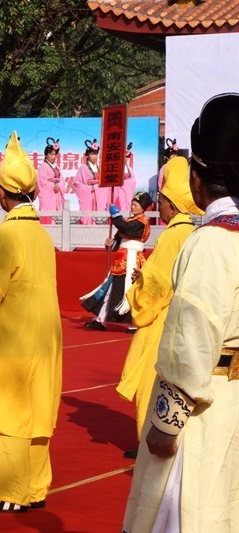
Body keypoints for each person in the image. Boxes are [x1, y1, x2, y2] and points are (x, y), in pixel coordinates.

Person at [122, 93, 239, 532]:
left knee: (185, 510)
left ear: (197, 177)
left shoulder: (209, 242)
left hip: (203, 407)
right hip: (233, 399)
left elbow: (192, 339)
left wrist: (167, 423)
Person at [0, 131, 62, 513]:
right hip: (44, 340)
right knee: (36, 410)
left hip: (14, 342)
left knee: (7, 411)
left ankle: (5, 490)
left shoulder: (4, 236)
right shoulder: (41, 236)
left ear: (2, 194)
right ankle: (34, 487)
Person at [116, 157, 201, 459]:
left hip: (162, 318)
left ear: (172, 206)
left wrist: (140, 287)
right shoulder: (190, 232)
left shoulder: (173, 235)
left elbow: (159, 284)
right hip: (180, 318)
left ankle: (147, 439)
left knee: (149, 380)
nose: (160, 208)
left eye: (163, 202)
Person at [81, 192, 152, 331]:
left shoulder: (142, 222)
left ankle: (134, 323)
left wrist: (115, 214)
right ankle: (101, 320)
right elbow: (117, 241)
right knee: (110, 288)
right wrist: (110, 244)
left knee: (131, 289)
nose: (132, 207)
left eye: (135, 205)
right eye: (132, 204)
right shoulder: (129, 221)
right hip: (121, 259)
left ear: (143, 207)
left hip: (132, 260)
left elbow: (125, 228)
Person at [72, 139, 104, 225]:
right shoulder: (83, 168)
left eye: (96, 154)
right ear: (88, 155)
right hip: (88, 195)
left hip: (98, 195)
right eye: (92, 154)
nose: (94, 156)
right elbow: (77, 184)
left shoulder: (99, 168)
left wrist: (98, 187)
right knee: (87, 215)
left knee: (97, 217)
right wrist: (89, 188)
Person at [36, 138, 64, 224]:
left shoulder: (57, 167)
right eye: (51, 154)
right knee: (48, 216)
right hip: (48, 195)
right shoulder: (43, 167)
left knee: (56, 216)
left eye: (55, 154)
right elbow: (41, 182)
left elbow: (62, 180)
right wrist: (52, 186)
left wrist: (59, 186)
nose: (54, 157)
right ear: (46, 155)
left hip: (56, 193)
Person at [115, 143, 137, 211]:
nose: (125, 159)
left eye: (127, 157)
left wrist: (125, 183)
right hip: (118, 191)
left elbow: (133, 181)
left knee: (129, 205)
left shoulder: (130, 169)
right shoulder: (115, 168)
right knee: (120, 204)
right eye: (124, 157)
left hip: (128, 192)